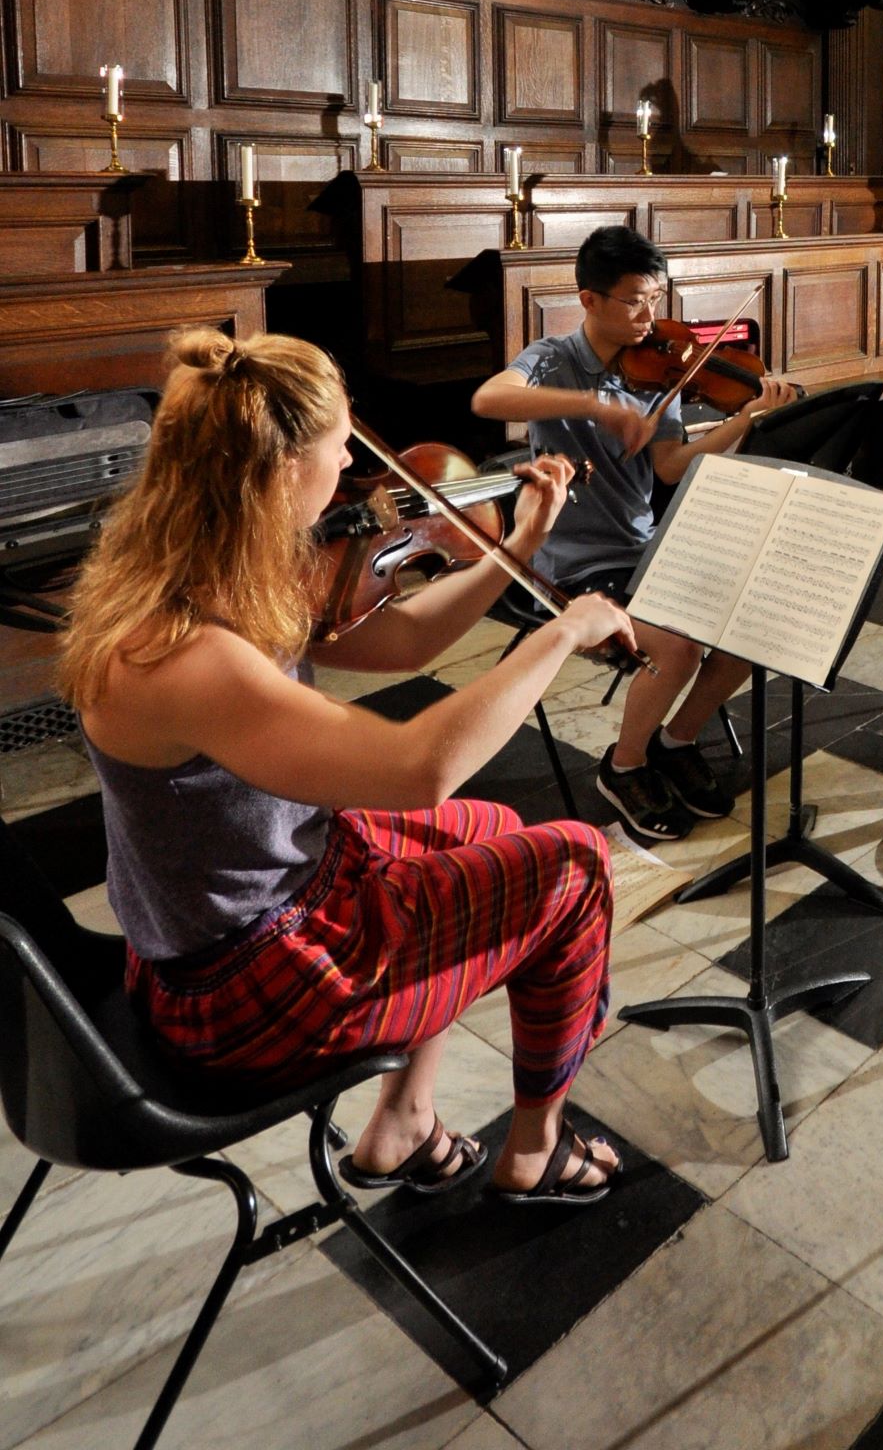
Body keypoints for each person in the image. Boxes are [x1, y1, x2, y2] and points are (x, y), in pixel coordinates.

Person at [61, 331, 635, 1205]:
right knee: (577, 866)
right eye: (340, 447)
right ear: (283, 466)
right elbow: (419, 767)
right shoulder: (179, 653)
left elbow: (399, 641)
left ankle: (403, 1122)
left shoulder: (213, 561)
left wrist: (516, 547)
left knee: (488, 835)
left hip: (262, 899)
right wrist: (560, 631)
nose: (352, 465)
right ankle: (535, 1149)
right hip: (246, 985)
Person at [470, 225, 795, 844]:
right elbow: (489, 400)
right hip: (570, 562)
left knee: (751, 626)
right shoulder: (551, 357)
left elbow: (670, 465)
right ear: (590, 300)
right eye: (636, 299)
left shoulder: (662, 370)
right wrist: (594, 405)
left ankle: (676, 742)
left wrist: (746, 419)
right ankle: (624, 767)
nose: (652, 314)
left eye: (657, 296)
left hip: (644, 547)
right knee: (677, 647)